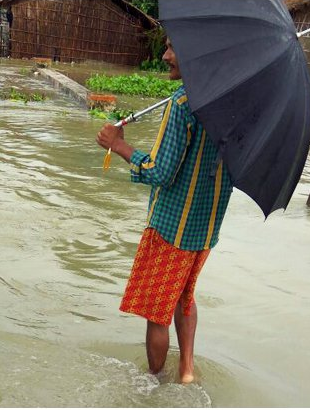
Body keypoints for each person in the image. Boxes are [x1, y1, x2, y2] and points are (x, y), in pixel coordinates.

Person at [95, 37, 233, 383]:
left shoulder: (184, 103)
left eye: (174, 48)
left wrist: (120, 145)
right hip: (205, 229)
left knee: (157, 311)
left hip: (172, 226)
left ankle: (155, 385)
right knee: (184, 298)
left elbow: (161, 171)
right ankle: (186, 370)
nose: (165, 55)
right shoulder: (231, 101)